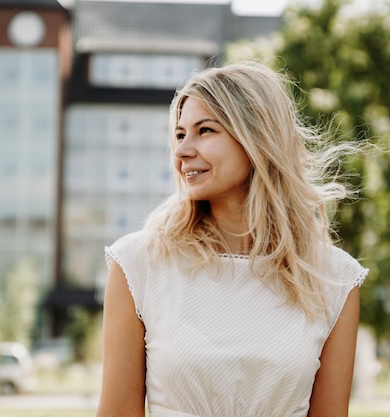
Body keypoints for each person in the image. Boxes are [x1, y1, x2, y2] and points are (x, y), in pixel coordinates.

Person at [96, 61, 368, 417]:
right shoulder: (138, 263)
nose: (181, 151)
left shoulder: (335, 278)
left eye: (204, 130)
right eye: (179, 135)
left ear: (257, 137)